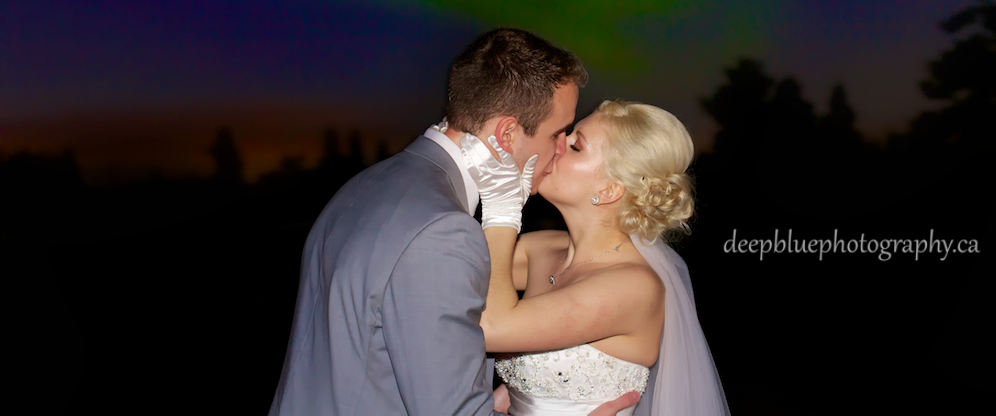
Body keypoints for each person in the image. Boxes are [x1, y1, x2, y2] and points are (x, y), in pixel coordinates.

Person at [268, 28, 639, 416]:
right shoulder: (443, 231)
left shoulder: (367, 183)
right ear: (507, 134)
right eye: (557, 133)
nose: (560, 148)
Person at [462, 100, 730, 415]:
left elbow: (491, 326)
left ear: (609, 190)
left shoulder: (633, 286)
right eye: (565, 135)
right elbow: (451, 274)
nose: (558, 145)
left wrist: (502, 210)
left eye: (576, 146)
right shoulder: (542, 248)